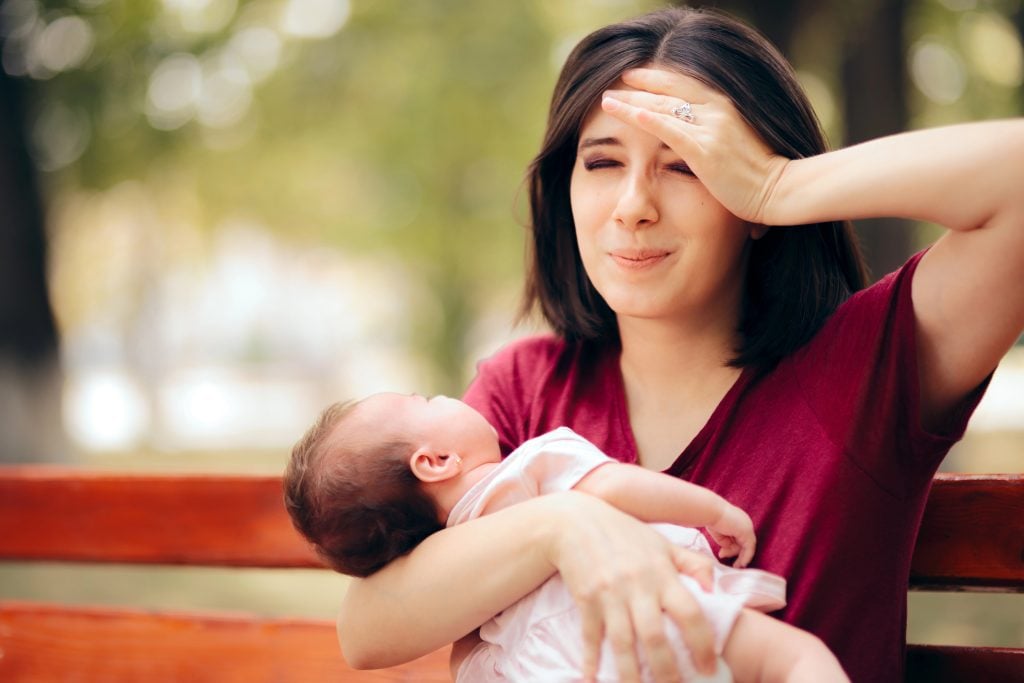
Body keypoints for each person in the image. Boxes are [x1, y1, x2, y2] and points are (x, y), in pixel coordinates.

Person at [334, 7, 1024, 683]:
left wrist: (779, 183)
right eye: (602, 161)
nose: (634, 204)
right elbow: (367, 628)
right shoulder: (525, 392)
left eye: (686, 166)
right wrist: (564, 526)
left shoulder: (867, 364)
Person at [283, 391, 848, 681]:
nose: (445, 396)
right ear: (434, 461)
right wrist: (715, 509)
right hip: (641, 617)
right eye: (425, 401)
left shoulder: (452, 556)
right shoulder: (532, 464)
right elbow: (614, 486)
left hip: (549, 661)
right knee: (797, 660)